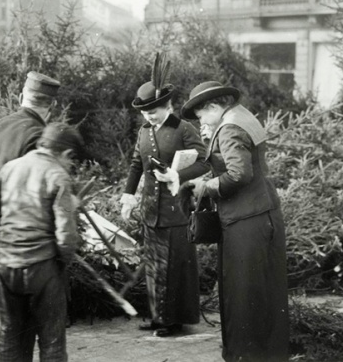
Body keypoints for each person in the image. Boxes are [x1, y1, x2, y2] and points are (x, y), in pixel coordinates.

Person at [180, 81, 289, 362]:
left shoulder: (229, 128)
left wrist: (205, 187)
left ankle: (245, 355)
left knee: (243, 294)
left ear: (213, 107)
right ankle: (266, 353)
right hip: (262, 214)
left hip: (245, 220)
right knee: (263, 292)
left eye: (202, 115)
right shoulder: (243, 116)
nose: (201, 121)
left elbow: (239, 174)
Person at [0, 71, 61, 361]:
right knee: (18, 319)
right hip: (13, 241)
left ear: (21, 98)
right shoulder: (39, 137)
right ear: (50, 108)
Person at [0, 122, 82, 362]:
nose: (70, 166)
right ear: (67, 154)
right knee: (51, 341)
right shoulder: (57, 175)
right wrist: (61, 261)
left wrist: (0, 247)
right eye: (71, 161)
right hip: (42, 267)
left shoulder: (10, 168)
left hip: (7, 267)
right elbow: (65, 234)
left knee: (8, 338)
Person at [120, 65, 210, 337]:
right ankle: (158, 317)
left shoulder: (183, 128)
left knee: (174, 268)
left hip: (176, 210)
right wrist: (128, 196)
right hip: (151, 210)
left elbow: (203, 160)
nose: (148, 115)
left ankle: (174, 321)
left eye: (153, 110)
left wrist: (177, 174)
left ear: (168, 106)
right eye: (144, 111)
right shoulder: (144, 132)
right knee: (155, 266)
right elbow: (137, 164)